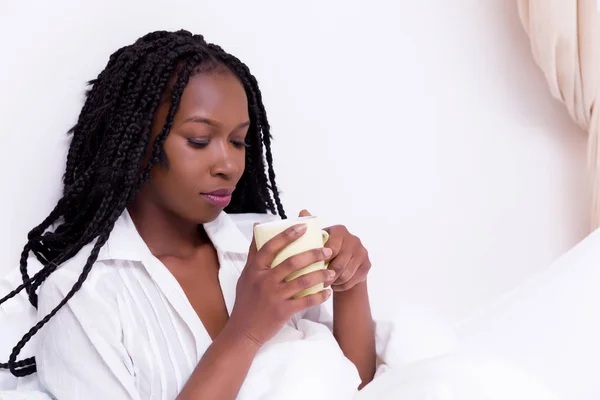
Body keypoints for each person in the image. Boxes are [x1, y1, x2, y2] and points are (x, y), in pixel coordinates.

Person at [0, 30, 377, 399]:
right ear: (134, 142)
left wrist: (351, 286)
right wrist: (245, 332)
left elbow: (352, 386)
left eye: (238, 141)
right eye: (199, 140)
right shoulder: (82, 293)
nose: (229, 165)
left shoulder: (263, 244)